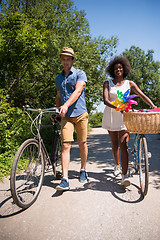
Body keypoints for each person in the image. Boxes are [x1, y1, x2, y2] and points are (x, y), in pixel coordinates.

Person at [102, 56, 156, 186]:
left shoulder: (129, 83)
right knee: (115, 143)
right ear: (112, 70)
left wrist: (153, 106)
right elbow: (105, 100)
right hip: (111, 114)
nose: (118, 70)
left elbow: (142, 95)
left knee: (123, 144)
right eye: (115, 68)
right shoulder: (107, 83)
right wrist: (117, 107)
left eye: (120, 68)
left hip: (126, 116)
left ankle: (124, 176)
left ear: (124, 69)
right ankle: (117, 165)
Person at [55, 47, 88, 190]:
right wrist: (58, 110)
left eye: (68, 58)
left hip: (80, 114)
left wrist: (66, 105)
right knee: (66, 145)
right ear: (61, 60)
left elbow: (78, 90)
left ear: (72, 60)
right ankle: (65, 179)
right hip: (66, 116)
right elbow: (58, 96)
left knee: (82, 143)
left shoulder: (80, 74)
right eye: (63, 58)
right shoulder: (58, 78)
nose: (65, 61)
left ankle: (83, 170)